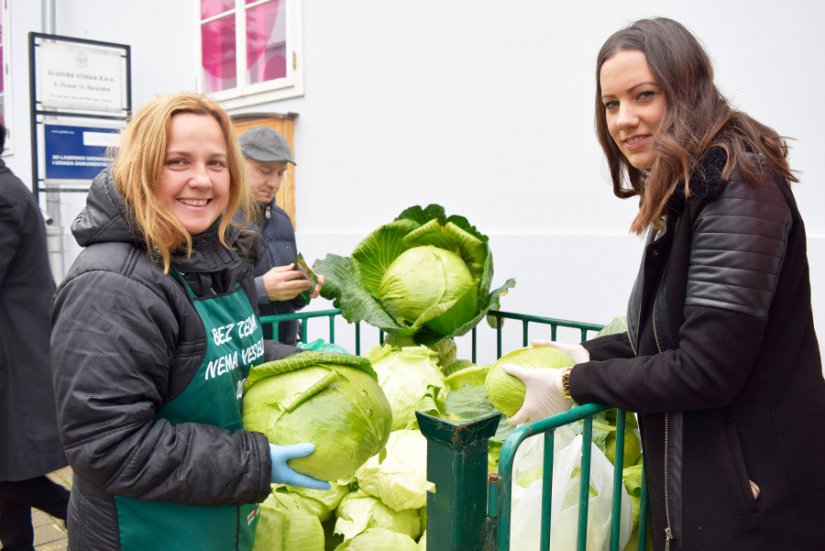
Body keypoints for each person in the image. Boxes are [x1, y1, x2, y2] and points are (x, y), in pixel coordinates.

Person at [502, 17, 825, 551]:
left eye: (643, 95)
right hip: (715, 498)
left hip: (756, 510)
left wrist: (572, 386)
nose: (624, 119)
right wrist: (581, 354)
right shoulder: (691, 187)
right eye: (611, 104)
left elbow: (704, 369)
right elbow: (670, 331)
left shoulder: (739, 190)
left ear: (687, 90)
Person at [50, 93, 329, 551]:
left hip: (217, 519)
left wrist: (308, 361)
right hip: (146, 532)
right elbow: (108, 445)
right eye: (177, 161)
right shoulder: (111, 284)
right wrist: (254, 463)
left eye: (217, 163)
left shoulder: (217, 255)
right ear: (139, 167)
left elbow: (223, 355)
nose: (201, 180)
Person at [0, 121, 70, 550]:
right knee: (9, 468)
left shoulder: (3, 198)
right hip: (14, 353)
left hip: (14, 357)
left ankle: (80, 511)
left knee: (10, 469)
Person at [238, 126, 323, 345]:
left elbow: (290, 305)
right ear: (236, 163)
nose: (274, 183)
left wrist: (302, 287)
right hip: (242, 357)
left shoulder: (282, 220)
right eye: (265, 171)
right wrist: (262, 289)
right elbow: (206, 303)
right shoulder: (216, 221)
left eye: (280, 173)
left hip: (286, 351)